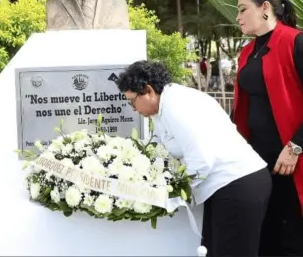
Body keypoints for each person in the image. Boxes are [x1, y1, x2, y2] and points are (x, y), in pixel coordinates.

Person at [116, 60, 271, 256]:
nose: (133, 108)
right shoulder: (162, 106)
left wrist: (172, 195)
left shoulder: (177, 105)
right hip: (226, 187)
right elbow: (160, 148)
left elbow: (201, 158)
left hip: (238, 184)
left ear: (148, 90)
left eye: (132, 101)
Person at [234, 0, 303, 256]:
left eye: (242, 10)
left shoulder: (295, 41)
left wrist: (296, 146)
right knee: (264, 234)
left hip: (293, 159)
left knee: (293, 236)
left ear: (265, 8)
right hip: (257, 161)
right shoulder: (247, 52)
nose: (237, 17)